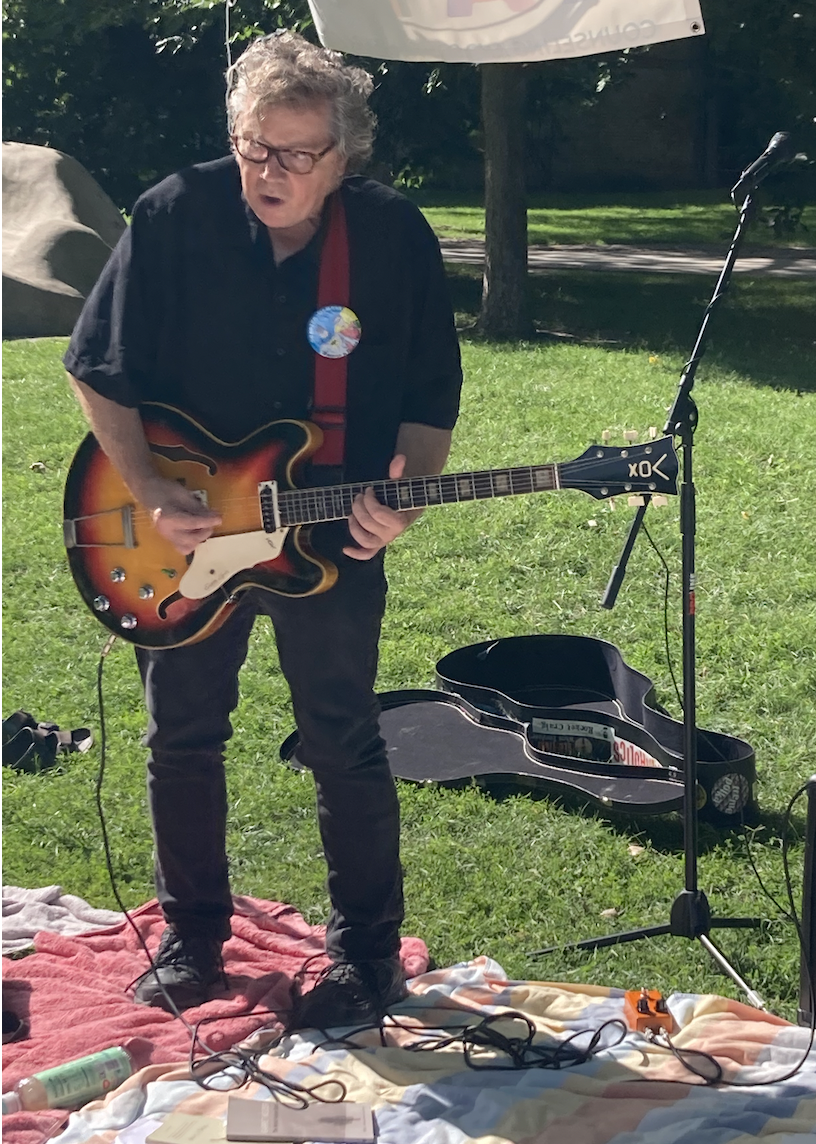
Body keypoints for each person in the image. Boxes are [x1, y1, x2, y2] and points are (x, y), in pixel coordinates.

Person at [63, 30, 462, 1028]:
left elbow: (428, 401)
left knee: (343, 738)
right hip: (183, 534)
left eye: (295, 154)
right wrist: (150, 488)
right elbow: (95, 368)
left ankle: (366, 955)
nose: (269, 172)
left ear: (344, 156)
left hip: (330, 531)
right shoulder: (174, 214)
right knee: (181, 738)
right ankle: (193, 938)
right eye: (253, 147)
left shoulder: (391, 237)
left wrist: (406, 497)